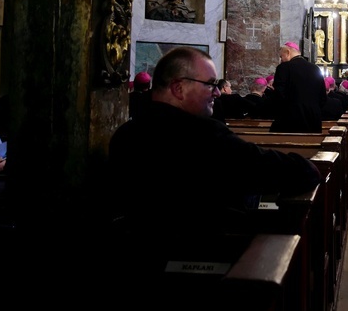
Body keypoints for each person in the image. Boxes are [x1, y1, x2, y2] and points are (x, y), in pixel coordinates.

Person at [108, 46, 322, 239]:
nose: (217, 92)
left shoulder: (125, 134)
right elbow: (283, 170)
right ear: (178, 88)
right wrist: (307, 166)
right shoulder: (201, 135)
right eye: (210, 85)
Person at [269, 41, 326, 133]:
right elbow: (323, 97)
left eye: (281, 56)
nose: (281, 60)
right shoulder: (315, 68)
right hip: (313, 121)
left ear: (288, 52)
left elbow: (279, 95)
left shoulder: (283, 68)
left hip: (290, 121)